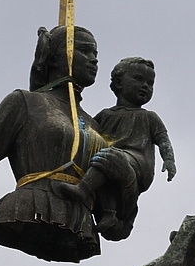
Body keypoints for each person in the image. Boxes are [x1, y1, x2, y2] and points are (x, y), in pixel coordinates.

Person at [0, 25, 139, 266]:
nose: (93, 61)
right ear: (57, 56)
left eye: (96, 55)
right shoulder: (26, 103)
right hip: (28, 211)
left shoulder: (97, 126)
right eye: (84, 51)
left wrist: (128, 180)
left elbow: (115, 228)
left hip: (78, 225)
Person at [56, 56, 175, 241]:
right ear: (119, 83)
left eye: (150, 83)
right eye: (138, 79)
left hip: (138, 162)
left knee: (108, 159)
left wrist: (169, 160)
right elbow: (88, 131)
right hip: (109, 158)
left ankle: (82, 189)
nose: (145, 86)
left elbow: (163, 140)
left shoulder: (149, 117)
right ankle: (109, 215)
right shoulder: (105, 115)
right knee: (102, 164)